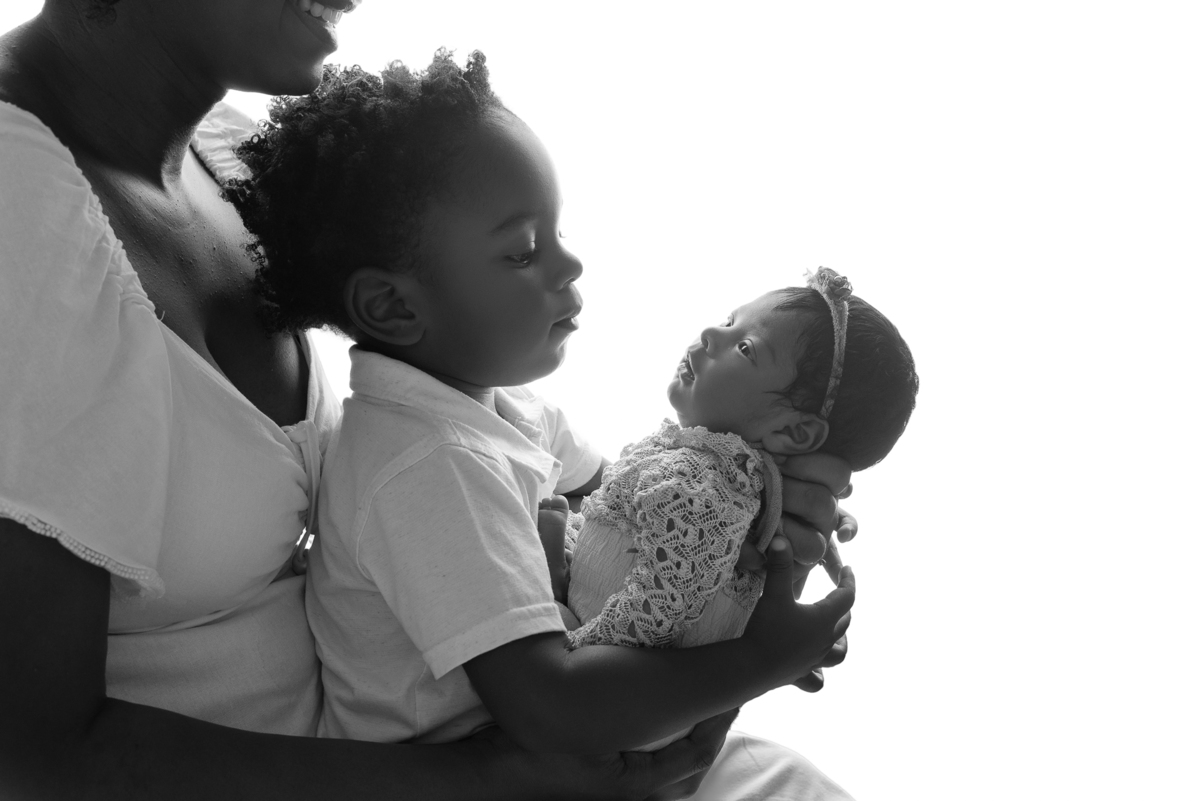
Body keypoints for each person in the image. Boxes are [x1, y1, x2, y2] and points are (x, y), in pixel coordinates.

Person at [0, 2, 857, 798]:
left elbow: (569, 482)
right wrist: (497, 777)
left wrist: (737, 502)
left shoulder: (232, 155)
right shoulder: (25, 223)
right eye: (523, 250)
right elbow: (32, 756)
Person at [224, 51, 857, 798]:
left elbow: (627, 500)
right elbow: (555, 710)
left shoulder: (505, 406)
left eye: (556, 233)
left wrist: (760, 503)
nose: (569, 264)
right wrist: (760, 660)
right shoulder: (425, 464)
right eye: (524, 250)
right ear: (394, 307)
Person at [557, 270, 918, 750]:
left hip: (611, 698)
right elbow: (617, 537)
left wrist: (566, 646)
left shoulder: (703, 487)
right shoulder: (711, 472)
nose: (711, 334)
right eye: (729, 321)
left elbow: (659, 609)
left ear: (793, 432)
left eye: (746, 348)